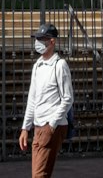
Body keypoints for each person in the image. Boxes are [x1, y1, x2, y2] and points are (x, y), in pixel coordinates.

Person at [19, 22, 73, 178]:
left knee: (39, 175)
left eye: (43, 38)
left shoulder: (59, 65)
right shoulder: (38, 66)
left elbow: (68, 98)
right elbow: (32, 98)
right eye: (37, 38)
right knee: (39, 174)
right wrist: (25, 128)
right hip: (38, 126)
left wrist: (52, 124)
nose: (39, 42)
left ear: (52, 41)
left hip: (51, 126)